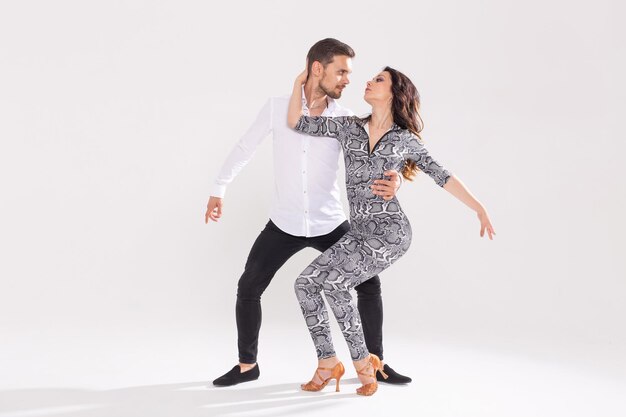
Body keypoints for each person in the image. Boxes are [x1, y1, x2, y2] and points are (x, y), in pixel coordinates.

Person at [206, 39, 412, 387]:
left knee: (369, 284)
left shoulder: (347, 120)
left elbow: (383, 159)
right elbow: (245, 147)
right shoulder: (277, 108)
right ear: (318, 68)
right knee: (249, 286)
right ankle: (247, 366)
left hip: (329, 222)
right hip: (283, 222)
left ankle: (376, 362)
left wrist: (396, 183)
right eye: (342, 71)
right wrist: (218, 188)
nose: (348, 79)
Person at [287, 65, 496, 396]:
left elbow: (442, 175)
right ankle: (328, 362)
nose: (369, 81)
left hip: (390, 233)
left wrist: (479, 208)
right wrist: (300, 82)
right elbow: (297, 122)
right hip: (358, 232)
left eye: (379, 79)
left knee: (337, 285)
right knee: (306, 284)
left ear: (395, 93)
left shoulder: (404, 140)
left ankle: (362, 364)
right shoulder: (348, 128)